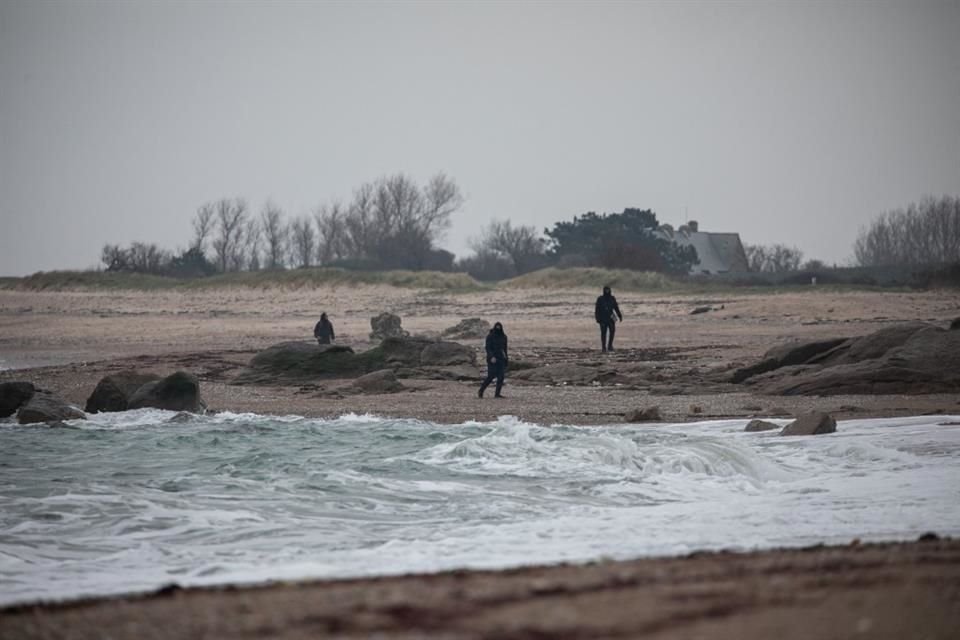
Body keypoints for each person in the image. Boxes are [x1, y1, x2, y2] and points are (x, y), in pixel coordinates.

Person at [478, 321, 508, 398]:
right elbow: (488, 348)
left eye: (499, 328)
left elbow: (505, 349)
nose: (498, 329)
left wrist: (506, 359)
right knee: (491, 376)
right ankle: (481, 390)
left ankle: (497, 394)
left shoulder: (504, 337)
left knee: (501, 377)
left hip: (501, 358)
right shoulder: (490, 336)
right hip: (492, 359)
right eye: (497, 328)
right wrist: (491, 357)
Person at [594, 286, 623, 352]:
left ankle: (610, 346)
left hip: (611, 317)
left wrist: (620, 316)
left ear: (610, 290)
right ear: (604, 291)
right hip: (602, 318)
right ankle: (603, 347)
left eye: (608, 290)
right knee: (603, 333)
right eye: (606, 290)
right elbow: (597, 309)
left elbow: (616, 308)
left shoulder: (612, 298)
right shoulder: (600, 299)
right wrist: (597, 318)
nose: (607, 291)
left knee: (612, 331)